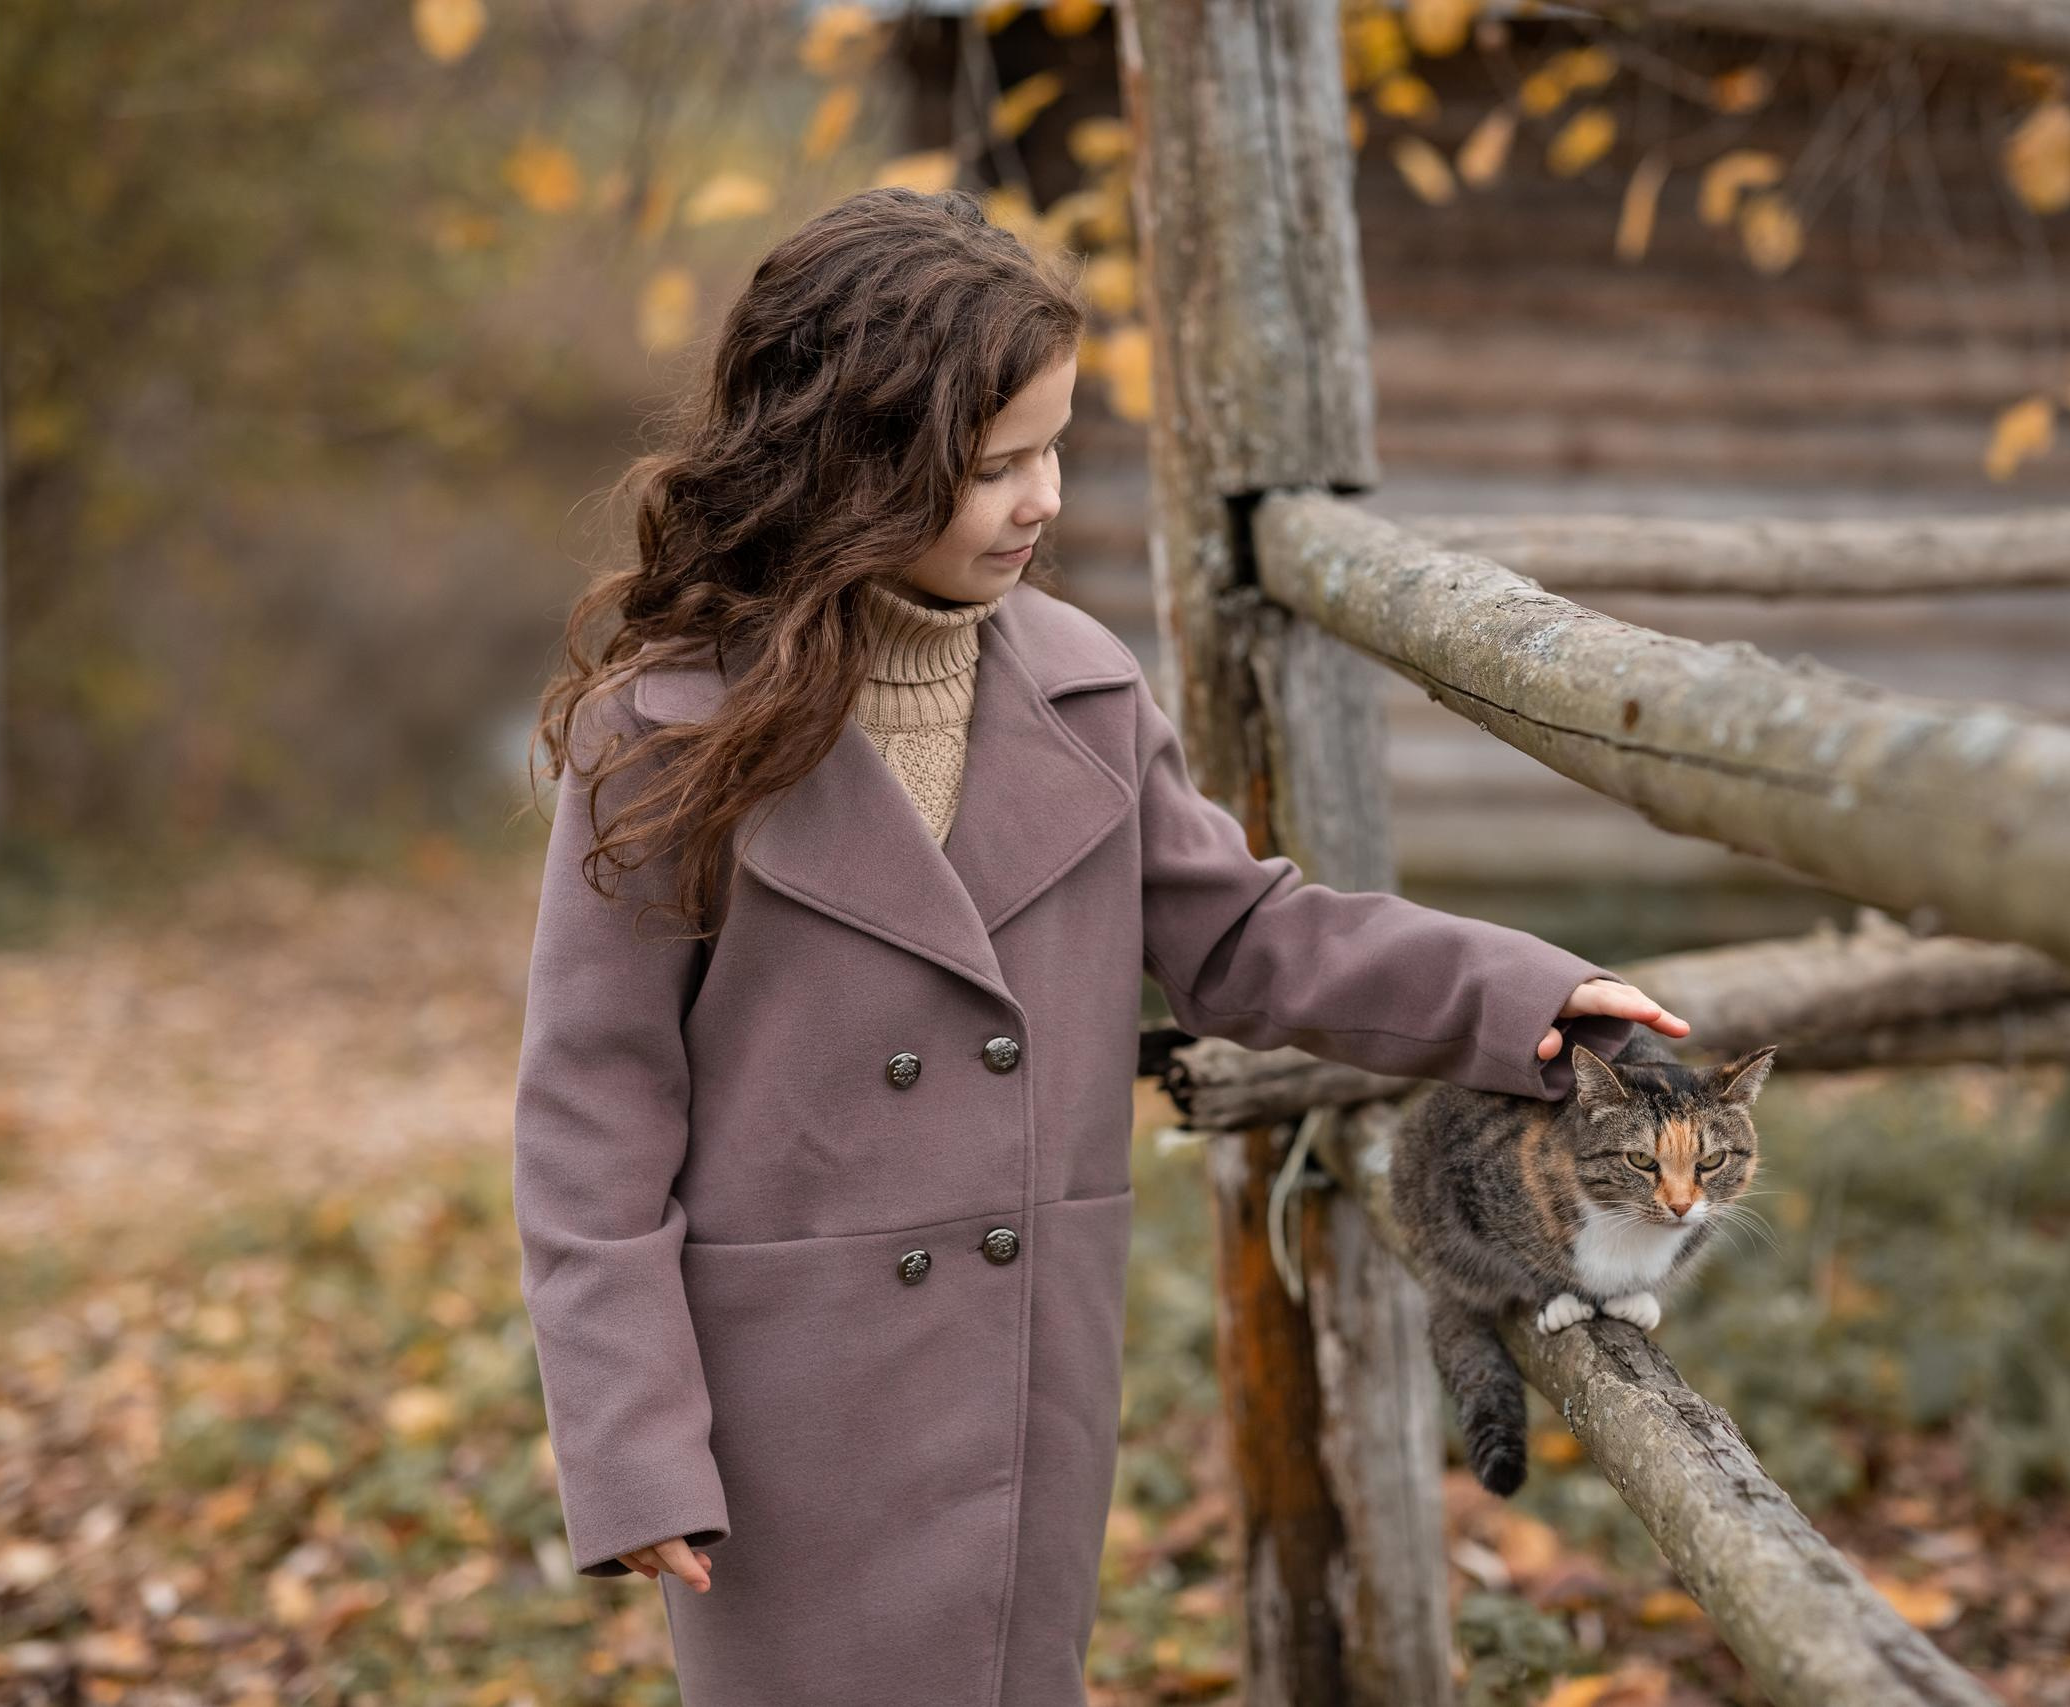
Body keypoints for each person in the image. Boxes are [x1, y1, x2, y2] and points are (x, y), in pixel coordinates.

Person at [512, 185, 1690, 1706]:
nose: (1044, 498)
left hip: (1017, 1368)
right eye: (994, 466)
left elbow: (1247, 935)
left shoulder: (1082, 688)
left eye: (1054, 447)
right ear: (852, 461)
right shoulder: (665, 731)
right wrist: (631, 1440)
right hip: (780, 1404)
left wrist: (1515, 991)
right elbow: (591, 1114)